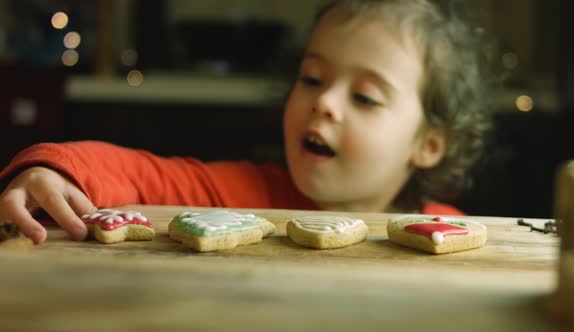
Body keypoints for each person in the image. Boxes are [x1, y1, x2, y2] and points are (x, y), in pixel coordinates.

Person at [0, 0, 496, 244]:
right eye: (311, 79)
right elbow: (139, 173)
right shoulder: (237, 198)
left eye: (365, 96)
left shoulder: (447, 232)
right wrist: (57, 172)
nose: (324, 103)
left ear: (429, 144)